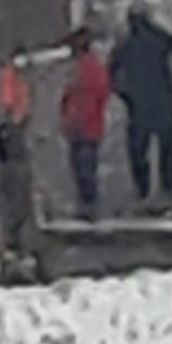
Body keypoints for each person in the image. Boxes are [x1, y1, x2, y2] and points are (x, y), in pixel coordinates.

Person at [109, 5, 172, 209]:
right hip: (163, 101)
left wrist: (124, 95)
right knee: (167, 148)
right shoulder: (158, 39)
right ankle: (168, 189)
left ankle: (142, 190)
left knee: (138, 150)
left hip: (138, 106)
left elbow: (111, 71)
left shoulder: (125, 46)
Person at [59, 26, 111, 220]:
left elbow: (93, 95)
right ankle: (87, 204)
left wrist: (75, 116)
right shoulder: (87, 66)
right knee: (81, 165)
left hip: (85, 124)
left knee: (84, 166)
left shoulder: (87, 68)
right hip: (83, 123)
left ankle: (89, 205)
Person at [0, 47, 34, 257]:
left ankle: (13, 236)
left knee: (14, 185)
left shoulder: (14, 77)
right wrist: (15, 120)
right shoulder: (12, 77)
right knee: (16, 185)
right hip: (14, 129)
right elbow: (9, 102)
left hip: (14, 128)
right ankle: (13, 237)